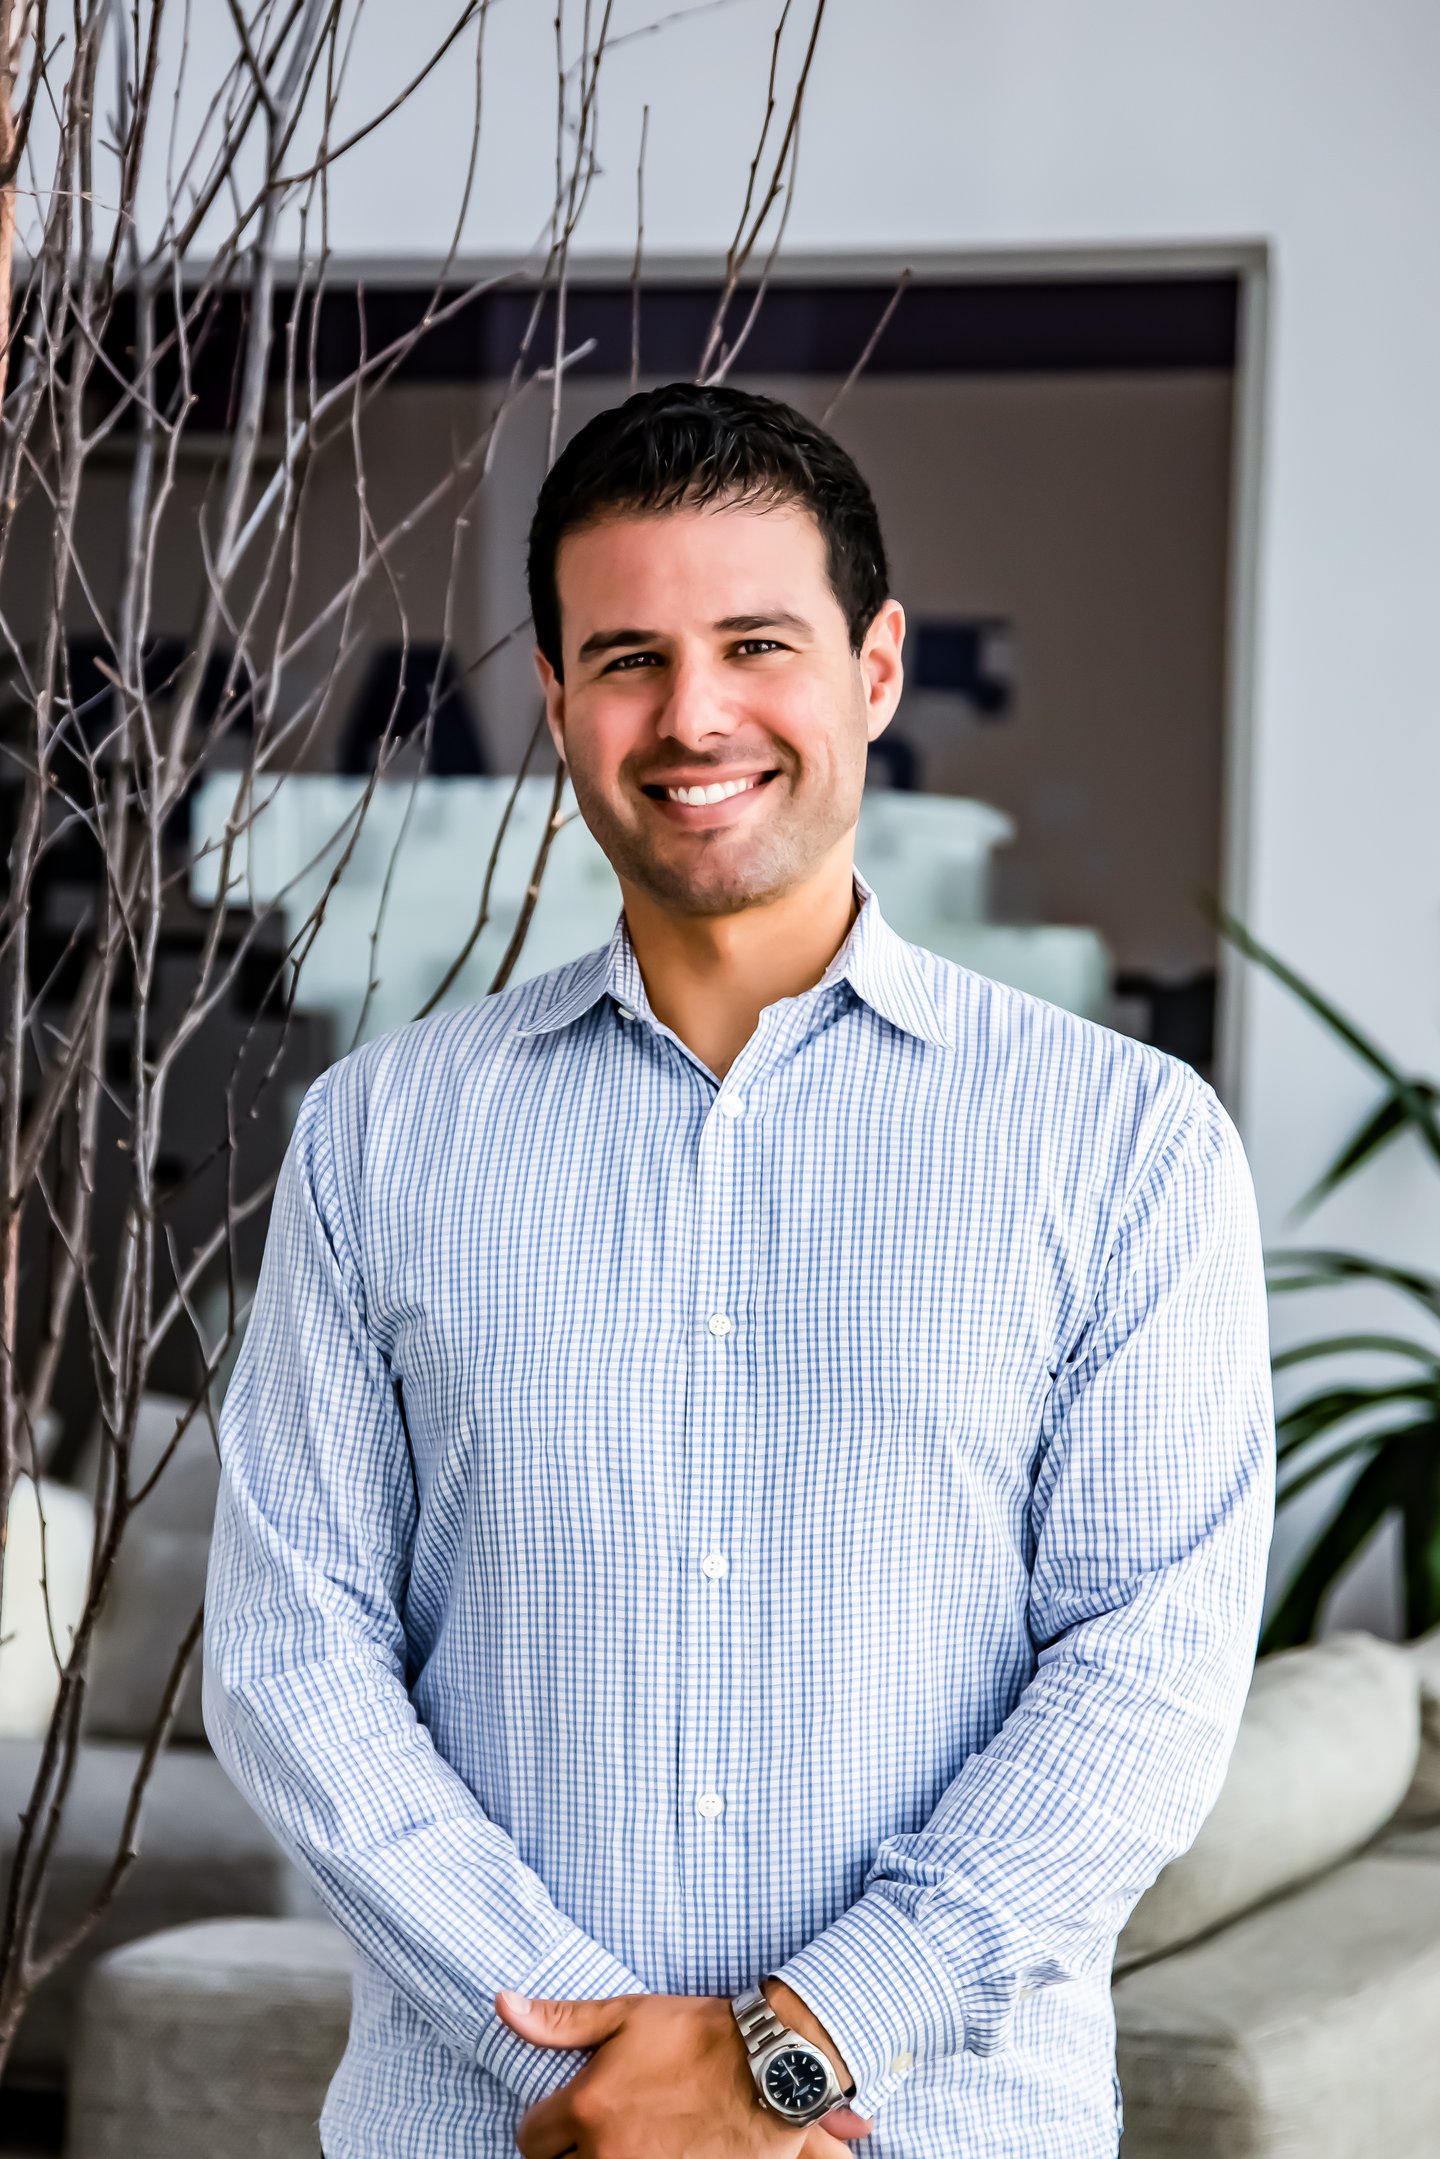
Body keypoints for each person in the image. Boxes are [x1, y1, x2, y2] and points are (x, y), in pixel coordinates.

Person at [202, 381, 1276, 2159]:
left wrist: (793, 2052)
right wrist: (594, 2075)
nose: (690, 716)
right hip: (492, 2129)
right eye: (624, 657)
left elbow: (1144, 1676)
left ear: (873, 669)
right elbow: (294, 1656)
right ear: (554, 701)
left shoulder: (1125, 1143)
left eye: (755, 643)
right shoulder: (383, 1135)